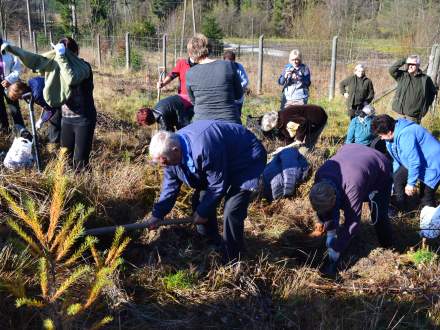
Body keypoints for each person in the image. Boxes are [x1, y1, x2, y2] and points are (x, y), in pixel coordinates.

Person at [146, 120, 267, 262]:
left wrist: (203, 212)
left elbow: (216, 185)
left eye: (165, 162)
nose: (164, 166)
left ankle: (233, 257)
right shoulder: (170, 152)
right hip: (220, 161)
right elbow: (170, 185)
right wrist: (158, 214)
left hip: (246, 159)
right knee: (200, 202)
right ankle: (211, 244)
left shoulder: (203, 147)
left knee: (232, 210)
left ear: (175, 150)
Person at [309, 144, 393, 277]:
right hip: (352, 153)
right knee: (329, 209)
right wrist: (331, 232)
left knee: (379, 215)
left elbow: (352, 222)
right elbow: (325, 208)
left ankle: (389, 248)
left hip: (379, 167)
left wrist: (337, 248)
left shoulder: (352, 187)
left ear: (335, 197)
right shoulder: (320, 175)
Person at [371, 114, 440, 210]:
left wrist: (411, 184)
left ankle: (430, 222)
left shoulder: (406, 135)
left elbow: (414, 161)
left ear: (389, 132)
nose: (381, 138)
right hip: (417, 161)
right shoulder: (391, 137)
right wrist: (394, 180)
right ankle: (402, 208)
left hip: (432, 164)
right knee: (398, 177)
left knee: (426, 197)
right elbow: (396, 159)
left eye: (381, 135)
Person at [186, 34, 244, 124]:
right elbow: (239, 95)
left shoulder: (190, 73)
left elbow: (194, 101)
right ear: (209, 48)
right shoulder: (228, 65)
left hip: (202, 125)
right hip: (230, 123)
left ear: (191, 53)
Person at [8, 78, 62, 148]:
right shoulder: (31, 81)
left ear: (21, 91)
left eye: (18, 97)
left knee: (54, 120)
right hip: (57, 91)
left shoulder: (37, 95)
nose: (20, 99)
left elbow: (51, 109)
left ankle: (54, 144)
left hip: (60, 99)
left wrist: (42, 120)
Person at [155, 48, 196, 129]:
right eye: (192, 52)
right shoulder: (182, 63)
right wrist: (163, 83)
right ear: (189, 52)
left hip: (196, 100)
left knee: (191, 124)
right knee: (182, 123)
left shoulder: (201, 65)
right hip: (182, 101)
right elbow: (172, 75)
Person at [389, 55, 437, 123]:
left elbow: (432, 92)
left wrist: (425, 105)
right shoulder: (402, 75)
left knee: (411, 133)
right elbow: (391, 70)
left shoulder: (425, 79)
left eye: (413, 64)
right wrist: (405, 60)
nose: (410, 66)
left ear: (418, 65)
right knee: (397, 132)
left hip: (413, 116)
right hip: (399, 113)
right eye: (409, 64)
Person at [261, 104, 327, 152]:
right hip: (307, 120)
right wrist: (286, 148)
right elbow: (288, 136)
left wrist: (299, 138)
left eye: (270, 127)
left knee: (307, 144)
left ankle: (311, 157)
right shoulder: (280, 122)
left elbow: (303, 122)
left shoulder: (286, 117)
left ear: (273, 123)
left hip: (318, 117)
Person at [0, 37, 24, 134]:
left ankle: (22, 133)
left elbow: (17, 68)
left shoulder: (9, 47)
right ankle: (5, 132)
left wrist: (9, 79)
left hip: (9, 84)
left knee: (14, 110)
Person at [223, 50, 249, 116]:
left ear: (234, 60)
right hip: (225, 98)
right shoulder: (221, 68)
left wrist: (237, 87)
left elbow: (245, 81)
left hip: (237, 98)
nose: (229, 64)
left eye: (231, 62)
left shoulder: (239, 67)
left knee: (237, 116)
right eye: (227, 62)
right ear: (223, 60)